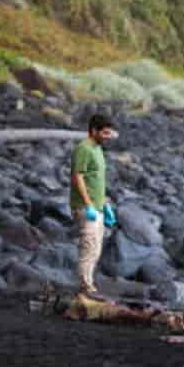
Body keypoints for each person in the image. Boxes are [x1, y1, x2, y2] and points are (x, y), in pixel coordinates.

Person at [69, 113, 117, 297]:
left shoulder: (98, 149)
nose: (107, 137)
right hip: (85, 207)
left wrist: (105, 204)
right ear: (93, 130)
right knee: (88, 247)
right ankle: (85, 287)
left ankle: (88, 284)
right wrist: (88, 204)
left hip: (98, 207)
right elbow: (77, 177)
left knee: (96, 248)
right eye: (104, 133)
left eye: (109, 133)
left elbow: (96, 180)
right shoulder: (84, 149)